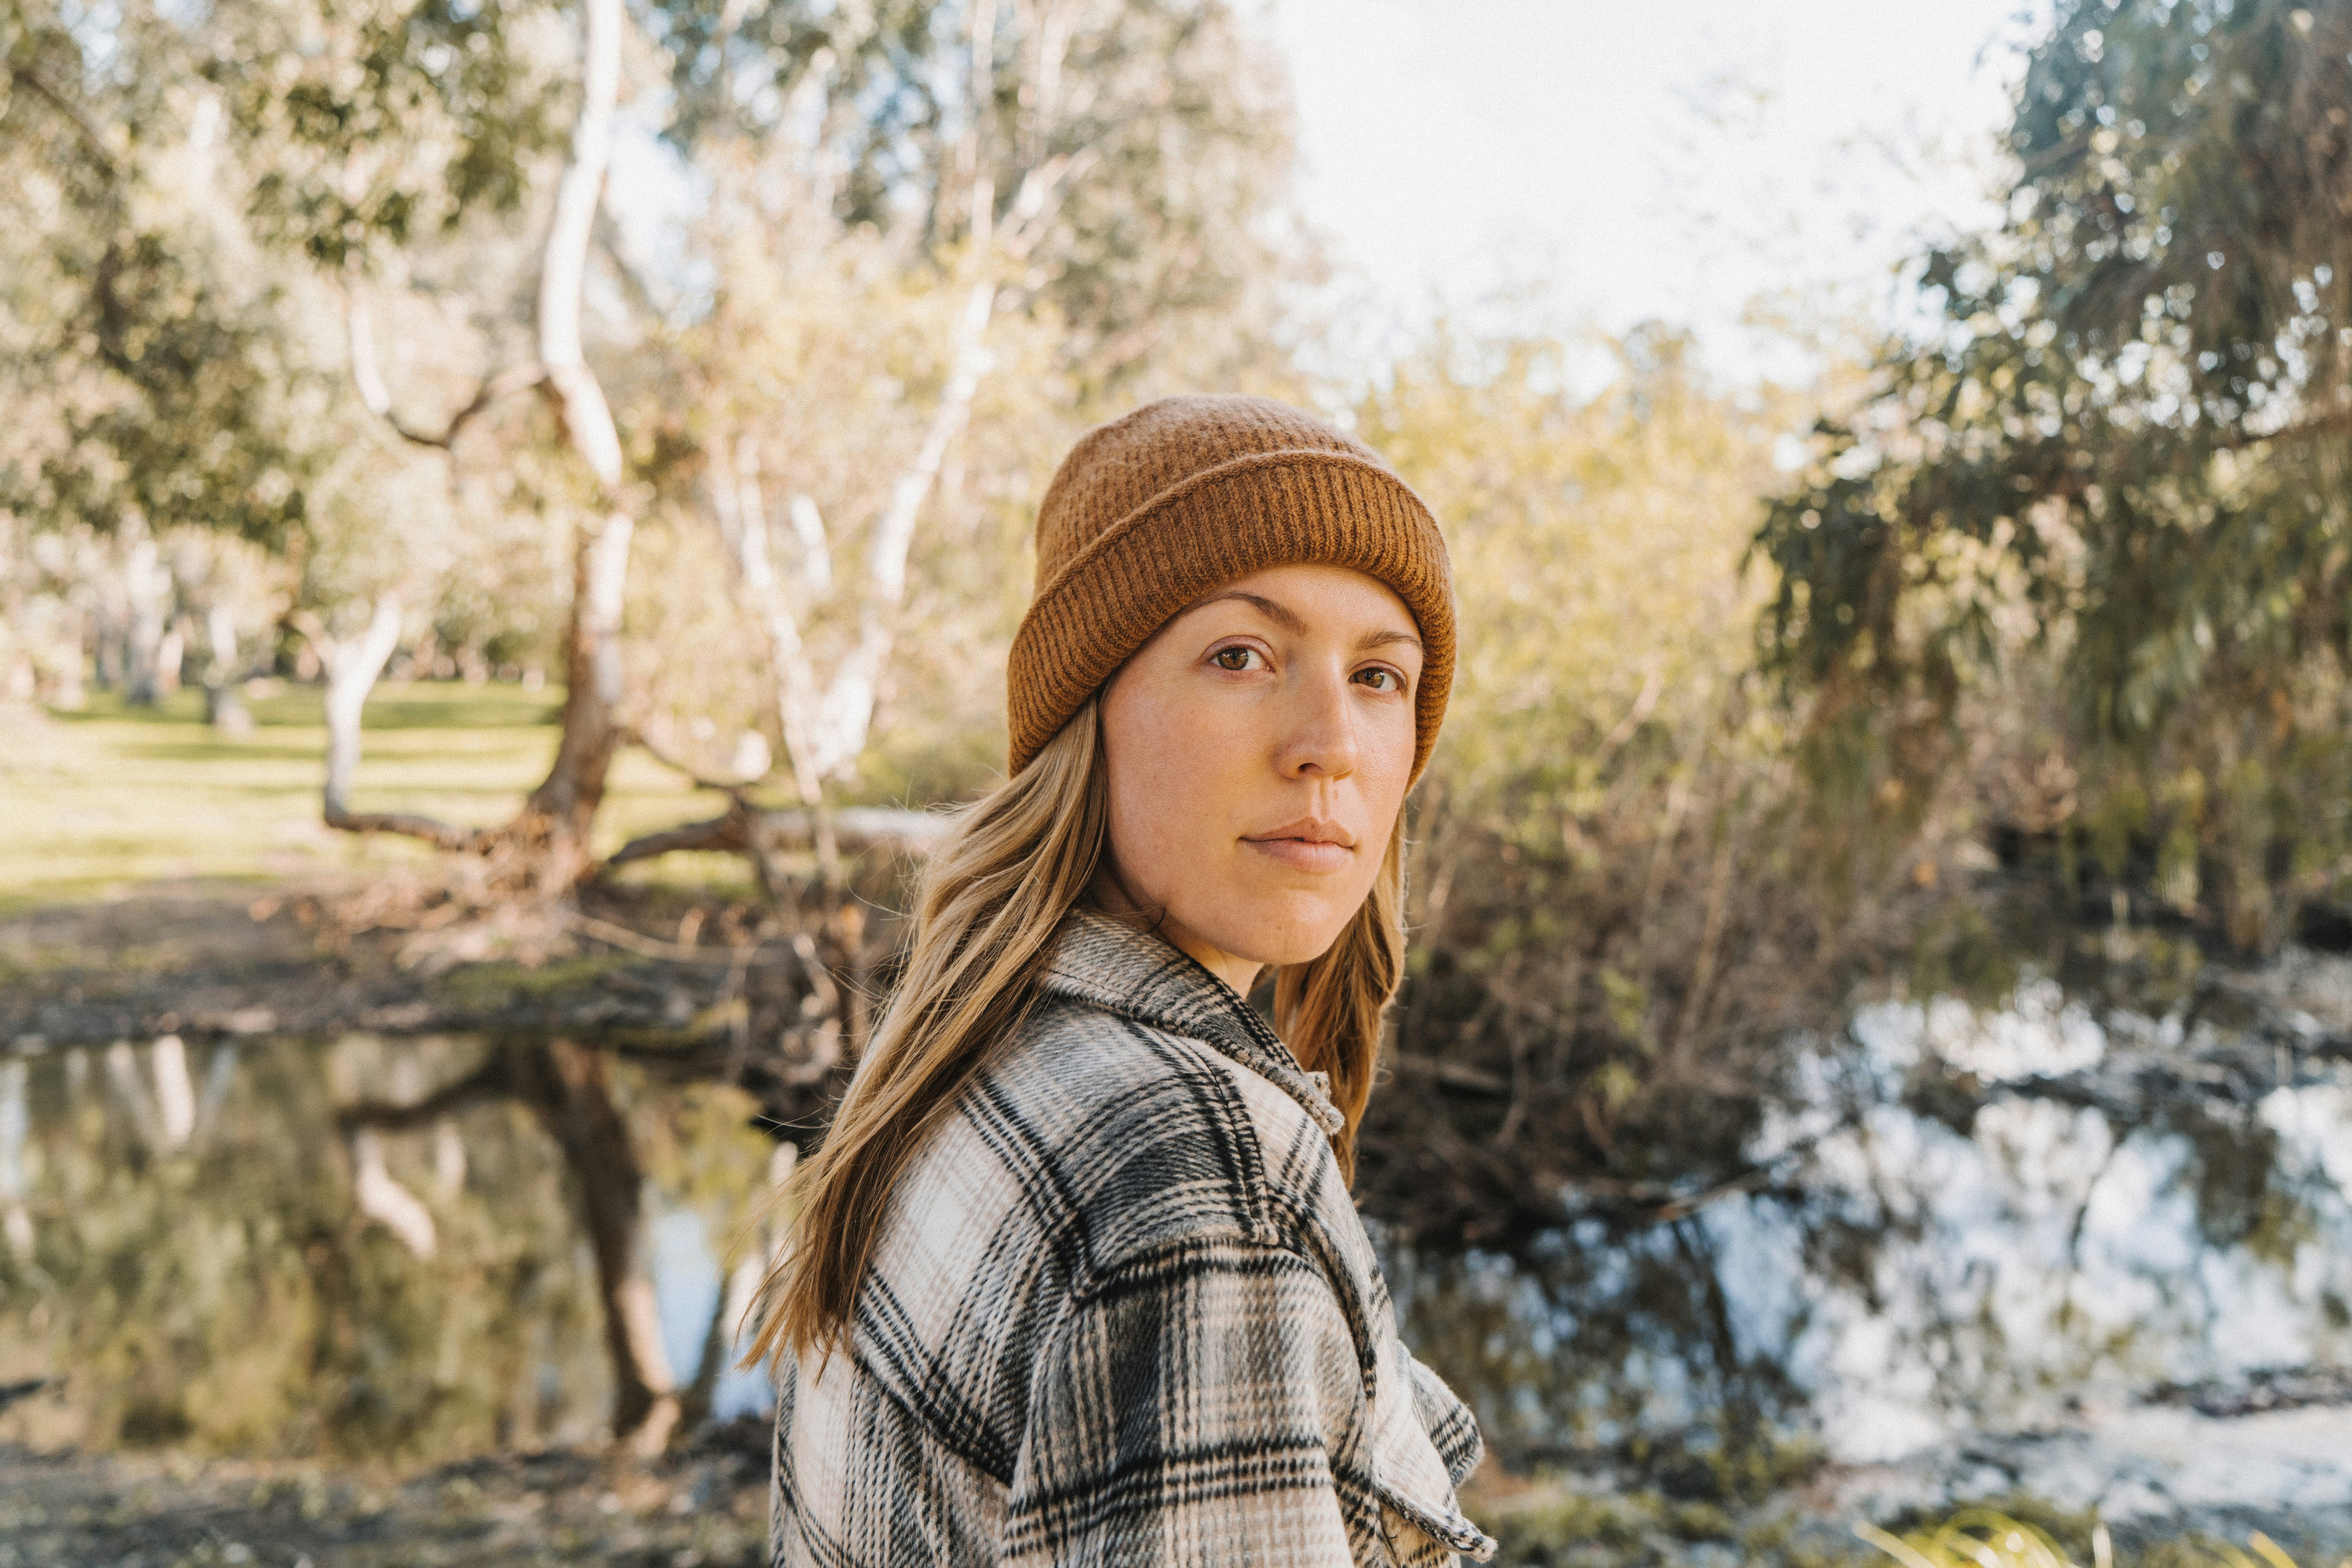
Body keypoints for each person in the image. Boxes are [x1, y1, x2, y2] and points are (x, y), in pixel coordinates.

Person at [749, 394, 1495, 1566]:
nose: (1331, 744)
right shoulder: (1198, 1169)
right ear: (1087, 714)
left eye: (1379, 676)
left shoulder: (982, 1053)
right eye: (1241, 656)